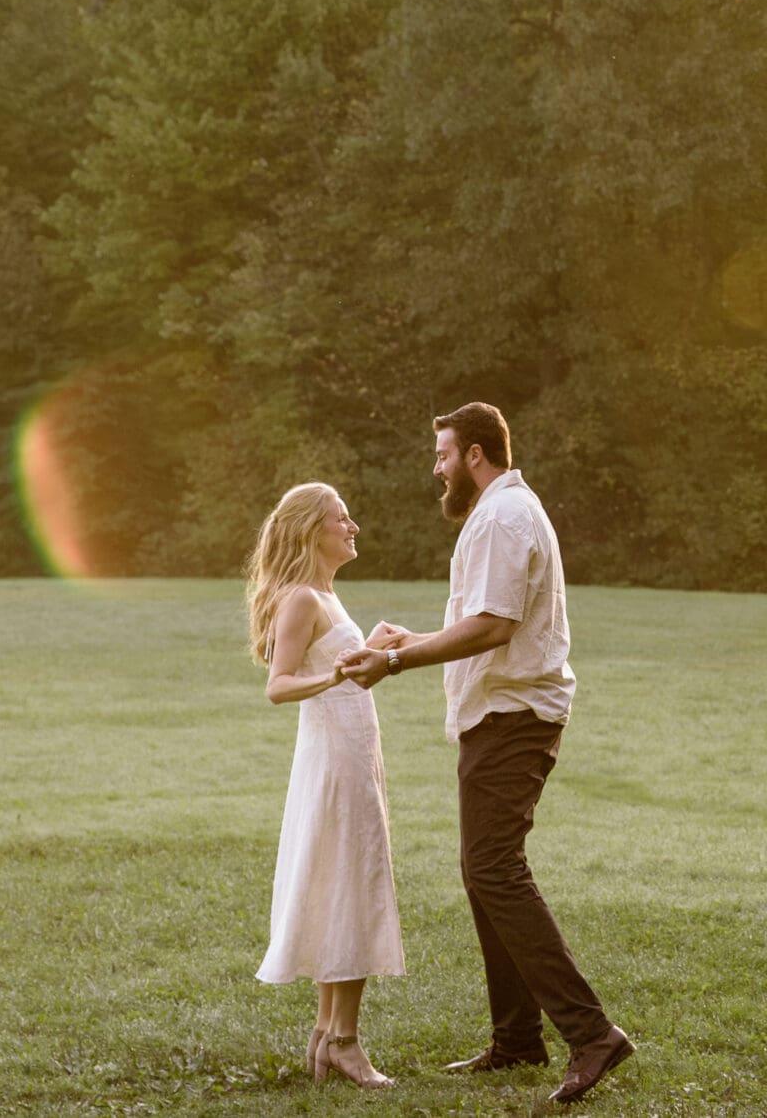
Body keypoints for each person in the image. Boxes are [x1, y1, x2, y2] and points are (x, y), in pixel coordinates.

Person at [339, 402, 635, 1105]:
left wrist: (397, 661)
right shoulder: (503, 511)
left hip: (513, 717)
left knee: (494, 869)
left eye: (443, 454)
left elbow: (495, 626)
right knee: (484, 871)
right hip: (501, 714)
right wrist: (411, 639)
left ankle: (592, 1034)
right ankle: (517, 1039)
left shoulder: (503, 516)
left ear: (475, 453)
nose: (436, 468)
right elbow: (484, 621)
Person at [246, 482, 403, 1091]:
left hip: (355, 757)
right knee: (351, 884)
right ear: (313, 530)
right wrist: (337, 673)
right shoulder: (301, 599)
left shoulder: (327, 597)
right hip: (334, 761)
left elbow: (340, 669)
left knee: (344, 884)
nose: (353, 526)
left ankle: (327, 1033)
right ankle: (345, 1042)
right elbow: (279, 684)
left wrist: (369, 650)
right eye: (342, 518)